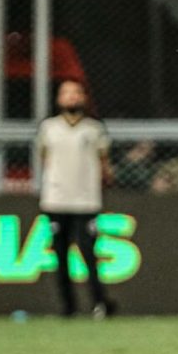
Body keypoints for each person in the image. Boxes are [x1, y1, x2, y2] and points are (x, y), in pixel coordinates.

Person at [37, 80, 116, 319]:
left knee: (88, 254)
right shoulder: (48, 128)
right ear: (58, 99)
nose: (71, 97)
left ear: (84, 97)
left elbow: (105, 164)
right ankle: (67, 307)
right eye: (66, 93)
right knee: (60, 256)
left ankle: (99, 303)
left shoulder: (94, 129)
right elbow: (44, 158)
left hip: (86, 201)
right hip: (56, 201)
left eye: (76, 92)